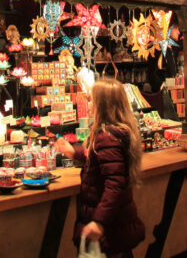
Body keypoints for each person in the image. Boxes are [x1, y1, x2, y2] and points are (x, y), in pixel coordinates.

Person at [56, 78, 145, 258]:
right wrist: (74, 153)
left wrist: (99, 222)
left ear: (103, 105)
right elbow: (100, 159)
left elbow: (115, 183)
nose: (88, 105)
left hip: (110, 228)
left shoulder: (106, 137)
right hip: (117, 224)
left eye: (91, 100)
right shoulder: (115, 133)